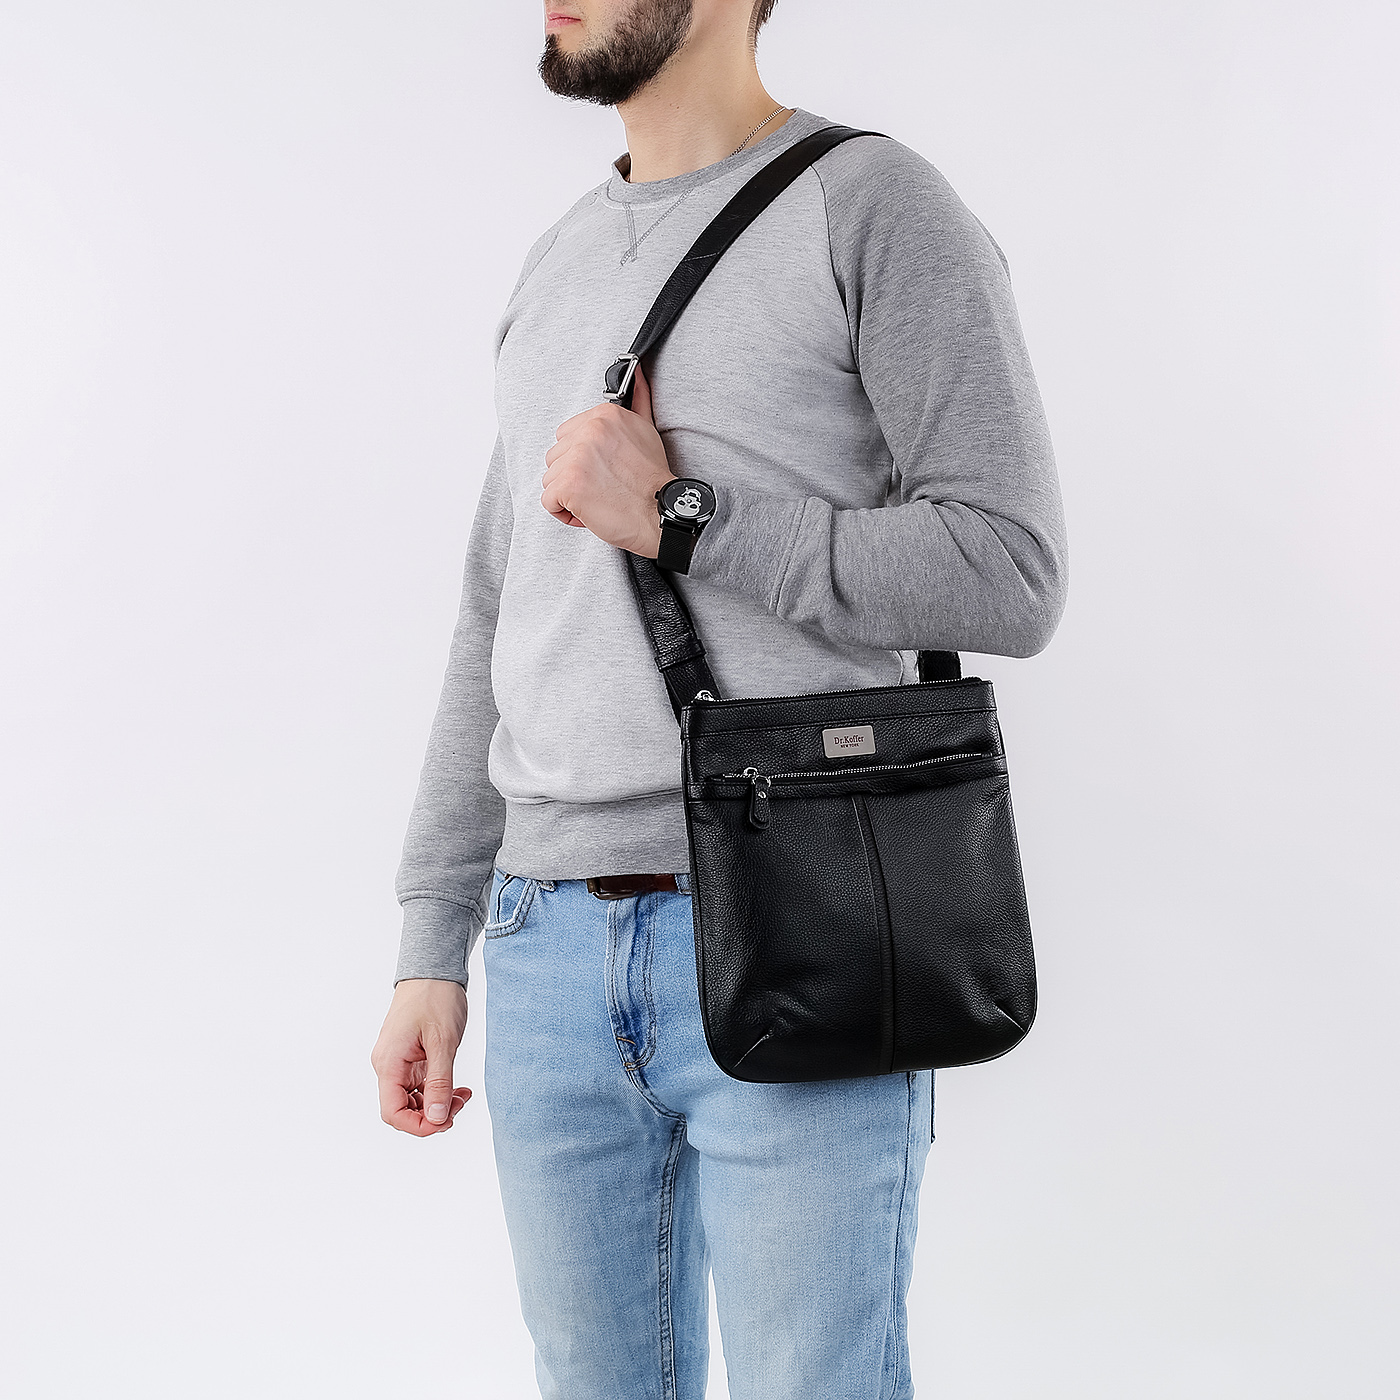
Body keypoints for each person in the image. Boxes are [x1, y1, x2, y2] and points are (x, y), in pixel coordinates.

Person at [370, 1, 1068, 1395]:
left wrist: (686, 517)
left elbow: (1010, 572)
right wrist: (430, 941)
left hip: (800, 908)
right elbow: (497, 615)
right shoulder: (560, 256)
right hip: (543, 940)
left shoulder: (874, 206)